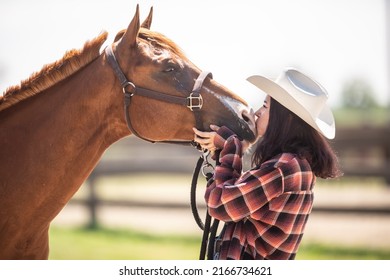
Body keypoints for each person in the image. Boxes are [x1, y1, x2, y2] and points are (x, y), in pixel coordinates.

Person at [193, 68, 342, 260]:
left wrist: (231, 145)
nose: (256, 113)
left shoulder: (285, 168)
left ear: (284, 118)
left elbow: (220, 204)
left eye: (265, 106)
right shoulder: (297, 165)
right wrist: (242, 145)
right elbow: (243, 196)